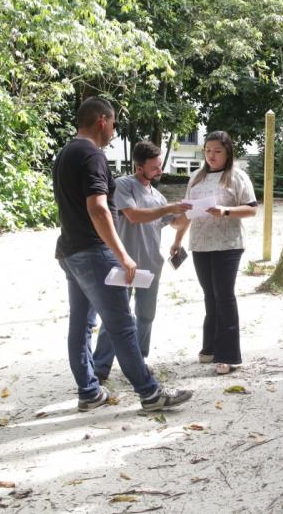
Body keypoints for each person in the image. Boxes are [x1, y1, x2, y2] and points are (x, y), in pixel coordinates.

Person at [53, 96, 192, 412]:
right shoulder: (92, 154)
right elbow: (98, 208)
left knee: (82, 325)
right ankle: (150, 393)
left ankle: (89, 392)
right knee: (122, 324)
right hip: (92, 252)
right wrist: (123, 255)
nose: (114, 132)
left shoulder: (64, 153)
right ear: (102, 120)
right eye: (114, 124)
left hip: (70, 252)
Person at [93, 140, 187, 383]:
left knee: (146, 315)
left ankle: (139, 362)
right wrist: (170, 208)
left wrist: (187, 216)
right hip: (122, 265)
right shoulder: (123, 186)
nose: (160, 171)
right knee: (116, 317)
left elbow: (173, 221)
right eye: (155, 167)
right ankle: (100, 368)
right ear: (139, 167)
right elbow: (133, 216)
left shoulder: (158, 196)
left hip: (151, 265)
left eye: (160, 166)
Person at [171, 131, 257, 375]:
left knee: (224, 296)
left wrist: (226, 211)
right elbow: (188, 212)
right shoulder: (196, 177)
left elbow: (252, 210)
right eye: (208, 150)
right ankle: (209, 347)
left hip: (228, 244)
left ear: (227, 152)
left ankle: (229, 356)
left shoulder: (237, 176)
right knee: (210, 295)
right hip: (200, 244)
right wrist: (178, 240)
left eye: (217, 151)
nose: (212, 155)